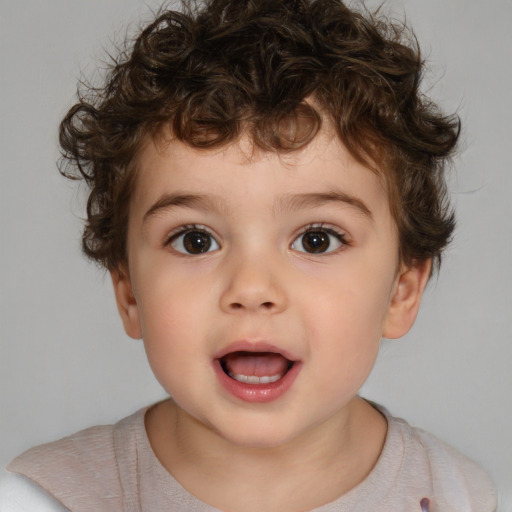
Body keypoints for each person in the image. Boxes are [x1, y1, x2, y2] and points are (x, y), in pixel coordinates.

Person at [0, 0, 498, 510]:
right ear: (128, 290)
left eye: (317, 239)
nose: (253, 288)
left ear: (402, 291)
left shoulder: (461, 497)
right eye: (196, 240)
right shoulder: (43, 500)